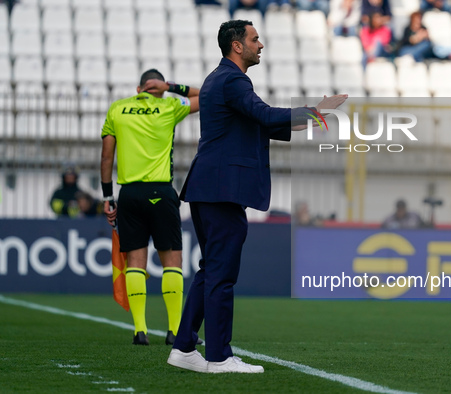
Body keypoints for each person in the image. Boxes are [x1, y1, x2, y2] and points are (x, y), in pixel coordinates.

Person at [167, 20, 347, 374]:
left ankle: (185, 347)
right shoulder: (234, 80)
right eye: (254, 39)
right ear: (237, 46)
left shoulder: (219, 79)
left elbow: (262, 121)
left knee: (210, 270)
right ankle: (218, 357)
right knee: (221, 273)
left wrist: (312, 116)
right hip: (221, 189)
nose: (260, 45)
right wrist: (317, 110)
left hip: (208, 187)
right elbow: (264, 114)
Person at [100, 69, 200, 346]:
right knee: (172, 262)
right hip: (161, 191)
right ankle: (174, 330)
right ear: (159, 87)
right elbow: (206, 96)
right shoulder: (170, 105)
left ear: (138, 88)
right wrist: (169, 87)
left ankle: (140, 331)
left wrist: (108, 198)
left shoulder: (118, 109)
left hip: (129, 194)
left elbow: (107, 157)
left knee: (135, 262)